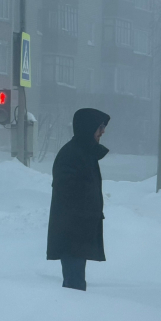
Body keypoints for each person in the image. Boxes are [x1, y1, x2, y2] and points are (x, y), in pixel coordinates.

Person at [47, 108, 111, 291]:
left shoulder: (85, 154)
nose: (103, 132)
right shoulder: (71, 155)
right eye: (100, 127)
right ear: (87, 128)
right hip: (72, 233)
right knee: (73, 287)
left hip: (79, 232)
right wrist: (88, 213)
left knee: (76, 284)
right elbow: (67, 194)